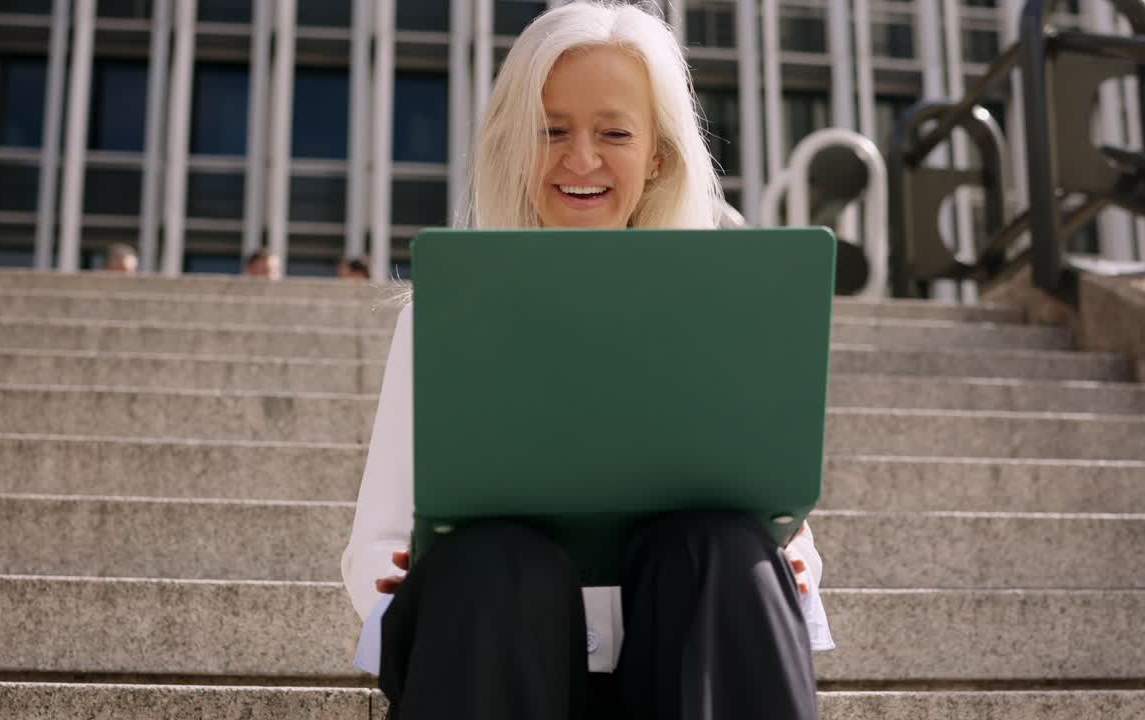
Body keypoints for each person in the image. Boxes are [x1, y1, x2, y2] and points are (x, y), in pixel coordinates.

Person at [341, 3, 832, 718]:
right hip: (502, 653)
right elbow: (377, 543)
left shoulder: (722, 314)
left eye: (614, 133)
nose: (580, 158)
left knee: (724, 552)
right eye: (553, 131)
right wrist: (405, 573)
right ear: (516, 144)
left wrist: (785, 561)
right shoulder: (446, 319)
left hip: (685, 658)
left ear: (657, 155)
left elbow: (777, 514)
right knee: (493, 566)